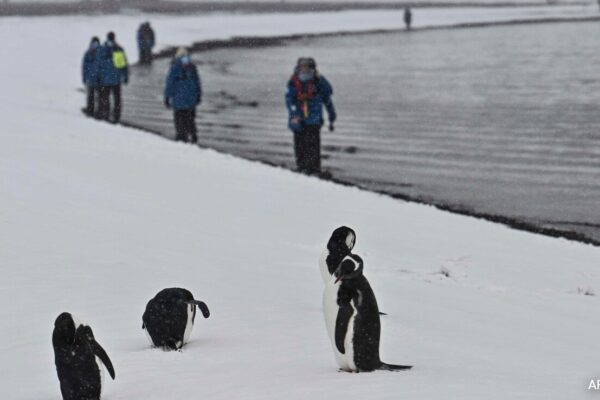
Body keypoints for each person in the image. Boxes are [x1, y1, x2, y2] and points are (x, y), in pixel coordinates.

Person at [285, 57, 336, 175]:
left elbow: (328, 97)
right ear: (298, 69)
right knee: (300, 145)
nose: (305, 72)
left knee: (313, 145)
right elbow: (289, 101)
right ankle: (302, 167)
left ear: (313, 70)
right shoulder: (293, 82)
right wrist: (295, 115)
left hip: (314, 120)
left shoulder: (318, 82)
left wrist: (332, 116)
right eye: (302, 69)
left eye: (308, 69)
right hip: (298, 120)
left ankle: (314, 169)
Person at [164, 47, 202, 143]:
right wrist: (198, 95)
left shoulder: (175, 65)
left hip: (179, 99)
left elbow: (170, 83)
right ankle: (193, 135)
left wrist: (167, 97)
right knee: (190, 118)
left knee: (179, 119)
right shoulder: (192, 66)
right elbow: (197, 82)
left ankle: (181, 137)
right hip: (191, 99)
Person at [98, 31, 129, 123]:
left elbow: (98, 65)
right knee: (116, 98)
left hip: (106, 79)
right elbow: (124, 64)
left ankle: (108, 114)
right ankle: (115, 115)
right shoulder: (118, 49)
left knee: (107, 98)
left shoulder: (102, 49)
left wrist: (97, 77)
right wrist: (125, 76)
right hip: (115, 79)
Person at [81, 36, 101, 117]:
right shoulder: (101, 51)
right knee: (100, 96)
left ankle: (90, 110)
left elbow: (84, 67)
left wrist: (84, 78)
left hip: (90, 77)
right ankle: (99, 111)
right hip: (99, 78)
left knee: (90, 96)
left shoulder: (88, 52)